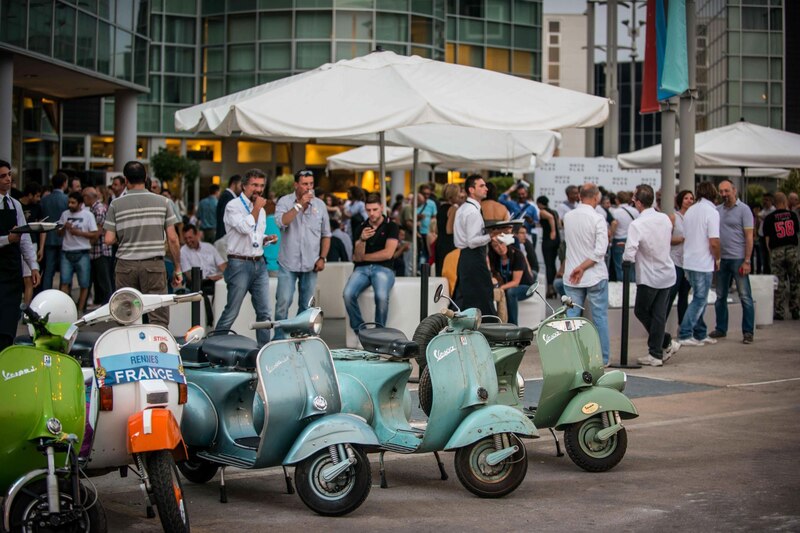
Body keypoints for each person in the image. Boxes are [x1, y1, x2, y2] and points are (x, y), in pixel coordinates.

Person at [104, 161, 183, 327]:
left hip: (125, 266)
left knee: (126, 317)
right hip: (153, 266)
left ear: (126, 180)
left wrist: (125, 237)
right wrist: (177, 268)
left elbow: (108, 239)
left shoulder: (115, 204)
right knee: (158, 317)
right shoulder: (164, 202)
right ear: (146, 177)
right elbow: (173, 238)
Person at [214, 169, 277, 344]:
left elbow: (254, 237)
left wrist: (266, 239)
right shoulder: (233, 206)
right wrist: (256, 209)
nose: (259, 189)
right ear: (244, 186)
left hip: (259, 263)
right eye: (254, 185)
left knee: (264, 313)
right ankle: (213, 347)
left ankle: (264, 351)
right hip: (239, 263)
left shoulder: (260, 210)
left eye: (261, 186)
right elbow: (244, 228)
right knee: (232, 311)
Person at [623, 185, 680, 367]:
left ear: (638, 202)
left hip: (649, 276)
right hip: (667, 272)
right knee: (658, 314)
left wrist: (626, 258)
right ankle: (657, 350)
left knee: (641, 311)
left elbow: (629, 252)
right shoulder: (664, 219)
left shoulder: (637, 224)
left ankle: (662, 344)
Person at [273, 169, 330, 339]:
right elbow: (282, 222)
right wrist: (298, 205)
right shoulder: (284, 201)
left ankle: (299, 339)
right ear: (296, 184)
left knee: (306, 307)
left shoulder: (320, 205)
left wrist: (322, 257)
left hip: (311, 263)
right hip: (288, 262)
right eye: (305, 184)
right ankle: (279, 340)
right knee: (283, 303)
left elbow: (326, 234)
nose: (309, 188)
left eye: (311, 184)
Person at [562, 183, 611, 365]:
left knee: (571, 320)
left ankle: (572, 358)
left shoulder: (568, 217)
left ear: (580, 196)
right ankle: (603, 358)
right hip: (594, 274)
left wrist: (578, 268)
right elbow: (600, 251)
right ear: (596, 197)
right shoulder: (598, 218)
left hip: (572, 275)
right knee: (600, 318)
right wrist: (583, 267)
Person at [343, 194, 400, 334]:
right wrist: (362, 240)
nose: (372, 213)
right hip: (361, 269)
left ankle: (379, 333)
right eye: (368, 210)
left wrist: (364, 257)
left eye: (375, 209)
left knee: (381, 296)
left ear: (381, 207)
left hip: (384, 268)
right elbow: (356, 257)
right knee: (347, 294)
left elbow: (388, 254)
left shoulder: (391, 226)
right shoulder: (361, 227)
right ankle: (360, 331)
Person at [709, 179, 755, 344]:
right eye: (721, 191)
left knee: (745, 296)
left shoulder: (744, 210)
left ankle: (748, 332)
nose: (724, 194)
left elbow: (749, 237)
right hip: (722, 259)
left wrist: (747, 260)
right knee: (720, 296)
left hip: (738, 259)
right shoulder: (717, 210)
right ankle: (721, 328)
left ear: (734, 191)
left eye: (727, 191)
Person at [0, 160, 40, 350]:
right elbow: (14, 238)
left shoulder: (15, 204)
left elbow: (24, 239)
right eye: (3, 176)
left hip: (11, 270)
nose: (8, 179)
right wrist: (7, 239)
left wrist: (33, 266)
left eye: (9, 175)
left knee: (9, 321)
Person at [678, 181, 721, 347]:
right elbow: (714, 241)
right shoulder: (712, 212)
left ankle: (700, 333)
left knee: (698, 297)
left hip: (689, 260)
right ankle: (685, 333)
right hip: (703, 262)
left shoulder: (690, 211)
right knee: (700, 299)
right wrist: (718, 258)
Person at [453, 175, 495, 316]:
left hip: (466, 258)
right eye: (481, 186)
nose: (486, 188)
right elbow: (472, 241)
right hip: (473, 257)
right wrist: (492, 235)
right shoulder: (472, 211)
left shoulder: (464, 208)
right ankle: (488, 326)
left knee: (469, 296)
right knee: (482, 296)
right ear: (471, 190)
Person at [58, 192, 98, 314]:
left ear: (80, 204)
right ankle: (64, 310)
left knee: (84, 283)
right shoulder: (65, 214)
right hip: (67, 251)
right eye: (69, 202)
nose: (70, 205)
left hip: (82, 251)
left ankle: (80, 310)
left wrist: (79, 233)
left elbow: (95, 234)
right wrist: (64, 227)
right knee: (64, 281)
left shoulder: (88, 215)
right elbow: (58, 234)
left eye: (73, 203)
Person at [762, 192, 799, 320]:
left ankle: (779, 311)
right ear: (784, 202)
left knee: (778, 282)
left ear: (774, 203)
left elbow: (767, 239)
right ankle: (795, 309)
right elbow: (796, 233)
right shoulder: (792, 215)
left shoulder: (769, 218)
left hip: (777, 250)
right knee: (795, 280)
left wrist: (770, 252)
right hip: (791, 249)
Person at [181, 224, 227, 326]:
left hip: (217, 280)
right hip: (200, 283)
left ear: (197, 235)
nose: (188, 241)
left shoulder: (209, 247)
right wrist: (209, 278)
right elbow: (189, 276)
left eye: (190, 237)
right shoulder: (183, 251)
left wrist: (227, 275)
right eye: (185, 239)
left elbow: (222, 265)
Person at [488, 235, 534, 325]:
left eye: (501, 243)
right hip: (507, 287)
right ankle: (496, 322)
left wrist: (501, 288)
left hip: (526, 287)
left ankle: (513, 325)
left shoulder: (517, 255)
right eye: (495, 246)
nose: (500, 247)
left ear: (506, 242)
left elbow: (516, 282)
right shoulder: (495, 258)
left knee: (511, 292)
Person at [666, 190, 694, 326]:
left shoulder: (694, 218)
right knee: (671, 294)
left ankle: (683, 328)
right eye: (686, 198)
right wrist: (681, 239)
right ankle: (659, 328)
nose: (689, 201)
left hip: (688, 261)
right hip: (675, 260)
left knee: (684, 296)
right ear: (681, 200)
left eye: (691, 198)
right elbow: (665, 238)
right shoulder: (673, 217)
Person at [83, 187, 113, 307]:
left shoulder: (99, 209)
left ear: (88, 197)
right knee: (95, 279)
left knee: (104, 280)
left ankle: (108, 305)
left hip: (101, 250)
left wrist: (88, 245)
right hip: (95, 251)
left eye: (84, 196)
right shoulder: (92, 209)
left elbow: (98, 232)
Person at [40, 172, 69, 290]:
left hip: (48, 237)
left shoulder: (45, 200)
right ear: (64, 183)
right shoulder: (67, 199)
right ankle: (63, 293)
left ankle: (45, 292)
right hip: (64, 238)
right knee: (64, 270)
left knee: (49, 270)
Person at [19, 182, 44, 304]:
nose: (38, 199)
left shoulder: (37, 207)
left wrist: (41, 247)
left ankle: (26, 309)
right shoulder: (16, 205)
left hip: (31, 243)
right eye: (37, 196)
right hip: (14, 244)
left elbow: (42, 228)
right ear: (30, 195)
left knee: (28, 279)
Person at [611, 191, 639, 281]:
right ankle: (632, 284)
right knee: (631, 265)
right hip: (632, 239)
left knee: (619, 265)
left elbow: (614, 225)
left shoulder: (615, 212)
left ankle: (621, 284)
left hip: (618, 239)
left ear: (617, 200)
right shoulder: (635, 211)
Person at [536, 195, 560, 299]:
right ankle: (553, 286)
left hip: (548, 240)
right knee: (553, 264)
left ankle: (550, 288)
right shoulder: (554, 211)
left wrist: (552, 231)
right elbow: (558, 223)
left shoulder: (542, 212)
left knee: (548, 264)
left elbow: (550, 218)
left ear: (539, 203)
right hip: (556, 240)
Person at [434, 183, 460, 278]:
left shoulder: (440, 208)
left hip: (439, 243)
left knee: (440, 271)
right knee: (450, 271)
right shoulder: (453, 209)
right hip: (449, 244)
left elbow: (436, 230)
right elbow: (449, 230)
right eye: (457, 195)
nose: (459, 197)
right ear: (452, 196)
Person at [215, 174, 242, 257]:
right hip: (224, 239)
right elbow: (225, 219)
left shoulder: (228, 196)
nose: (242, 188)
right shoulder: (228, 197)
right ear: (234, 184)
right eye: (240, 185)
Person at [756, 192, 775, 274]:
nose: (765, 202)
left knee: (769, 255)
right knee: (763, 256)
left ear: (771, 201)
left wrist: (759, 216)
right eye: (764, 200)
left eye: (767, 200)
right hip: (762, 235)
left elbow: (767, 219)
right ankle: (765, 271)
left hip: (770, 236)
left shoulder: (773, 210)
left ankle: (770, 271)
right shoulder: (763, 211)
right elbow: (758, 220)